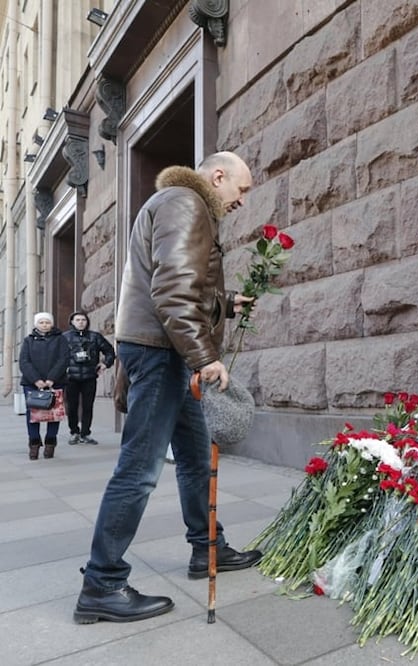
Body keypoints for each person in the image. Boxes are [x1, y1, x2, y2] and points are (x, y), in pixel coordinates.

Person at [75, 152, 261, 624]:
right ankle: (102, 582)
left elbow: (175, 284)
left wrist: (225, 301)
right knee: (138, 471)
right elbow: (173, 289)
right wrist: (206, 357)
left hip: (161, 350)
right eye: (240, 190)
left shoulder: (174, 202)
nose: (242, 200)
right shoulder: (186, 203)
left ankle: (207, 548)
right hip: (164, 353)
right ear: (217, 176)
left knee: (196, 459)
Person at [20, 312, 69, 460]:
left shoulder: (60, 339)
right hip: (31, 383)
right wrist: (36, 380)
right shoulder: (28, 340)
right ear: (36, 324)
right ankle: (34, 444)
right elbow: (24, 361)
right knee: (32, 414)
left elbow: (63, 359)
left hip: (55, 382)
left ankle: (50, 443)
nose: (44, 325)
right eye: (41, 322)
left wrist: (51, 379)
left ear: (51, 323)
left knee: (54, 414)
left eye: (47, 322)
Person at [63, 311, 116, 445]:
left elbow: (110, 351)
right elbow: (56, 356)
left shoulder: (95, 337)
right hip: (71, 377)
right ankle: (74, 432)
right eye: (78, 320)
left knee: (88, 406)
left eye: (83, 320)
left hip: (89, 376)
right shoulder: (65, 337)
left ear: (87, 322)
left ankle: (85, 433)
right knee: (72, 406)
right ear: (72, 322)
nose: (81, 322)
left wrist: (105, 364)